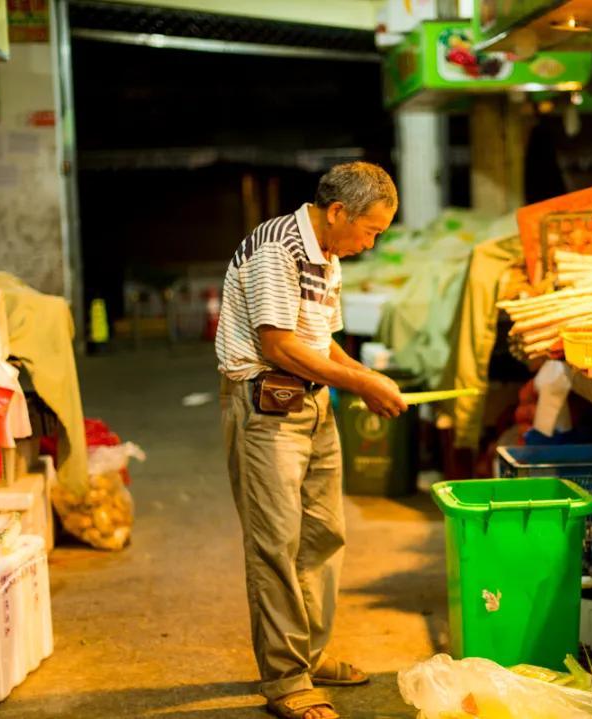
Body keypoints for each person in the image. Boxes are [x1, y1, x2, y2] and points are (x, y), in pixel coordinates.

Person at [217, 162, 409, 719]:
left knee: (323, 535)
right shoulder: (278, 248)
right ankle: (285, 679)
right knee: (274, 544)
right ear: (338, 212)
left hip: (313, 402)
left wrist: (366, 380)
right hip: (266, 406)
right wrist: (363, 382)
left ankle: (309, 655)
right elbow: (277, 346)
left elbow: (321, 345)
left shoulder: (327, 255)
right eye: (370, 230)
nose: (370, 243)